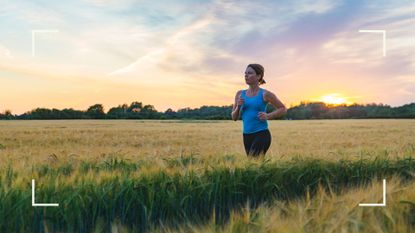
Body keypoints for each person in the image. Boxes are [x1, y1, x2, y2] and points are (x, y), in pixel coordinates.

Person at [231, 64, 287, 157]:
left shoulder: (265, 94)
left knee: (254, 160)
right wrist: (238, 106)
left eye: (249, 73)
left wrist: (268, 116)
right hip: (246, 135)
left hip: (261, 134)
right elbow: (234, 117)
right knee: (254, 166)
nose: (246, 75)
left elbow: (283, 109)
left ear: (258, 76)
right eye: (245, 73)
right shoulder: (240, 94)